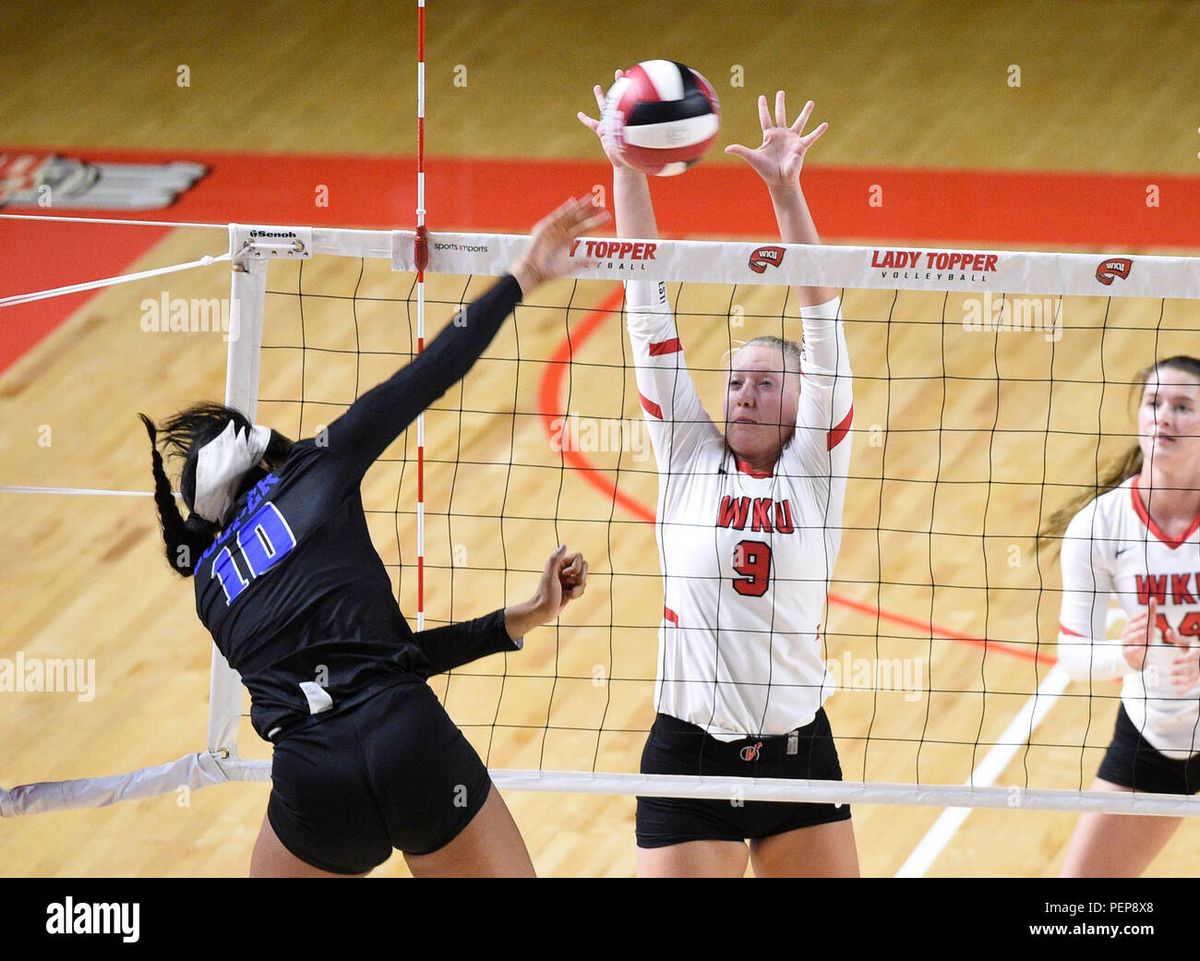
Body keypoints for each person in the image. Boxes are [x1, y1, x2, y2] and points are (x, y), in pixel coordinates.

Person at [140, 197, 607, 877]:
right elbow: (431, 372)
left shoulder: (210, 588)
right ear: (268, 458)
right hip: (411, 743)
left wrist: (519, 618)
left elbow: (377, 664)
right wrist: (526, 271)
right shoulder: (316, 468)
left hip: (314, 787)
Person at [579, 83, 859, 877]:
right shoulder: (687, 457)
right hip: (687, 753)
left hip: (797, 755)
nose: (743, 392)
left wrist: (785, 189)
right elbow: (645, 303)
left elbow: (823, 320)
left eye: (766, 383)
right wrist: (626, 167)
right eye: (736, 381)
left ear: (805, 405)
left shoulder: (815, 469)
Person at [1041, 356, 1200, 877]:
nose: (1163, 418)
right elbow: (1073, 655)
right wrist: (1123, 655)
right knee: (1083, 909)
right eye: (1154, 404)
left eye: (1182, 407)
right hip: (1154, 731)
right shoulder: (1100, 524)